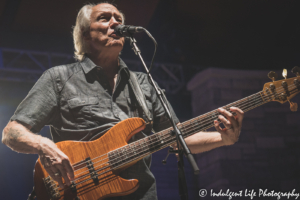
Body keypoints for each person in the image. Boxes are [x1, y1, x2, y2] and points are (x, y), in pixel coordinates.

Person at [1, 2, 244, 200]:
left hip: (139, 194)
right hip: (75, 191)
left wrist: (223, 138)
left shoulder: (144, 83)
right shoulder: (59, 78)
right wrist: (45, 146)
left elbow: (177, 137)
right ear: (85, 34)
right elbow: (12, 132)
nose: (116, 23)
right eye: (105, 18)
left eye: (119, 18)